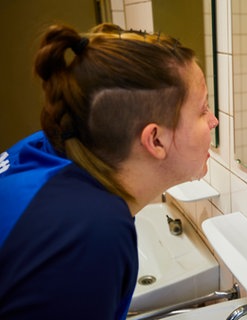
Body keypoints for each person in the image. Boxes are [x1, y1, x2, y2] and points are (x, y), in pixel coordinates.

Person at [0, 23, 218, 319]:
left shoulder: (51, 146)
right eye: (202, 109)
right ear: (155, 140)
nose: (214, 121)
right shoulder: (91, 231)